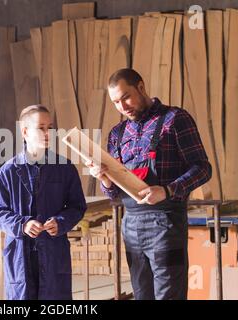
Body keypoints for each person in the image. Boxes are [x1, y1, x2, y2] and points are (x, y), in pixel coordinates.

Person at [86, 68, 212, 300]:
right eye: (116, 102)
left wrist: (167, 190)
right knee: (142, 294)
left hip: (166, 224)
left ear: (141, 87)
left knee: (169, 296)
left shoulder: (175, 119)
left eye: (126, 97)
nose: (123, 107)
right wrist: (104, 178)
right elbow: (114, 192)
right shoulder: (117, 133)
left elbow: (203, 169)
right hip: (131, 225)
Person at [0, 105, 87, 300]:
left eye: (50, 127)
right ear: (25, 132)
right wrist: (22, 224)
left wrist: (60, 221)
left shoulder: (65, 169)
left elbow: (77, 206)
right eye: (41, 127)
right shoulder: (7, 172)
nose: (48, 133)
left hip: (53, 251)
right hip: (20, 254)